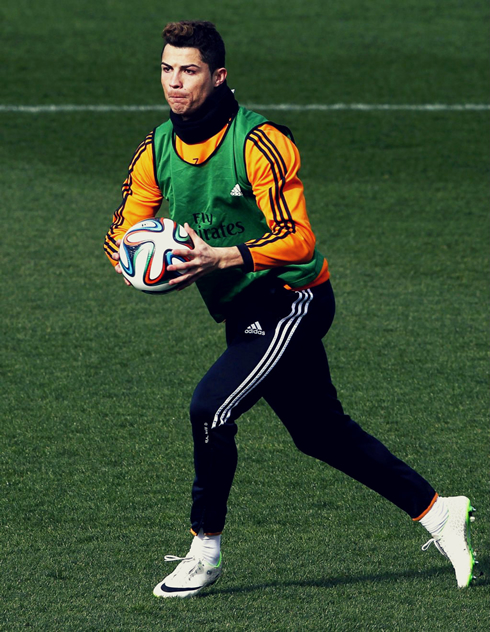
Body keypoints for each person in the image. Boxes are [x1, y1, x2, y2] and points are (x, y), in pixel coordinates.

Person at [103, 20, 476, 597]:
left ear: (218, 76)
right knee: (319, 432)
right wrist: (144, 266)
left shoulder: (259, 143)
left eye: (190, 70)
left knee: (211, 409)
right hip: (241, 308)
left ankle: (205, 550)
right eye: (167, 69)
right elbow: (120, 234)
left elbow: (297, 238)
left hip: (293, 297)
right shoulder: (154, 152)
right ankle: (439, 512)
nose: (175, 83)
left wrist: (223, 256)